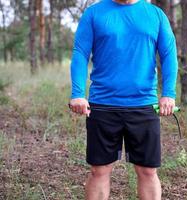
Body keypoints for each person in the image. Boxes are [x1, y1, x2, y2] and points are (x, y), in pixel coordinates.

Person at [69, 0, 178, 198]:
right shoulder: (94, 14)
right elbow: (80, 53)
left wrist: (169, 94)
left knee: (148, 171)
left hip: (143, 104)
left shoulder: (155, 15)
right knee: (99, 171)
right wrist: (77, 94)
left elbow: (169, 54)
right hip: (103, 104)